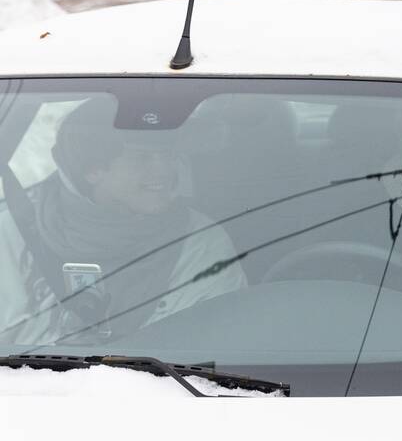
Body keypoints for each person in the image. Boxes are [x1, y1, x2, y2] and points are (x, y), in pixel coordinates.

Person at [0, 97, 246, 346]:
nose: (164, 170)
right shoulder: (13, 233)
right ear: (93, 170)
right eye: (143, 157)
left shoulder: (202, 243)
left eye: (168, 155)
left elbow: (219, 354)